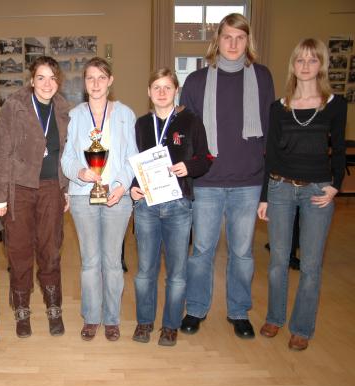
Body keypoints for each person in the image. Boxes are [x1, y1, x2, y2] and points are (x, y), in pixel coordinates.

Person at [179, 13, 275, 339]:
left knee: (242, 253)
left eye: (240, 38)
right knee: (202, 250)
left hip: (248, 182)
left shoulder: (262, 78)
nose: (233, 44)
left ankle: (238, 311)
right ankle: (195, 308)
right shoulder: (195, 82)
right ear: (216, 40)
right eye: (227, 37)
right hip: (206, 182)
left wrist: (267, 189)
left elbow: (269, 133)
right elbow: (184, 136)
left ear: (248, 42)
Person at [257, 38, 346, 351]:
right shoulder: (278, 108)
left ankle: (302, 328)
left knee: (310, 265)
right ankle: (274, 317)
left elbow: (337, 151)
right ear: (293, 65)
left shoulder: (335, 104)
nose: (305, 66)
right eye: (300, 60)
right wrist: (265, 197)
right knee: (278, 261)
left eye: (312, 60)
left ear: (320, 64)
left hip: (318, 192)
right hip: (281, 188)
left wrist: (336, 185)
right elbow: (271, 155)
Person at [131, 68, 211, 346]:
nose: (162, 92)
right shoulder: (142, 124)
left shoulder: (191, 121)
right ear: (149, 92)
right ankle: (144, 322)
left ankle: (170, 325)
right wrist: (133, 187)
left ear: (176, 90)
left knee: (176, 272)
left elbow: (205, 158)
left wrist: (188, 166)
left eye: (167, 87)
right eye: (156, 87)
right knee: (145, 271)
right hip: (147, 206)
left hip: (178, 206)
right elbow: (136, 162)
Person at [0, 56, 70, 338]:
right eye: (41, 77)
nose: (47, 83)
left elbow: (68, 151)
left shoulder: (63, 107)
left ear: (58, 81)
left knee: (51, 250)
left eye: (52, 78)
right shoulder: (15, 106)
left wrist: (66, 188)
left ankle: (53, 308)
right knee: (20, 251)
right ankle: (22, 310)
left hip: (51, 187)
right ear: (31, 80)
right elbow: (2, 151)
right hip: (20, 189)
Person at [61, 57, 138, 341]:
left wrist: (121, 185)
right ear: (84, 82)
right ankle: (92, 316)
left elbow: (132, 157)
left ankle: (112, 319)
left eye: (101, 78)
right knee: (90, 261)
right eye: (90, 78)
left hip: (117, 197)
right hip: (84, 196)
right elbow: (67, 159)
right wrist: (80, 172)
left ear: (110, 81)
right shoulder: (75, 115)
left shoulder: (125, 114)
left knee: (113, 261)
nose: (95, 84)